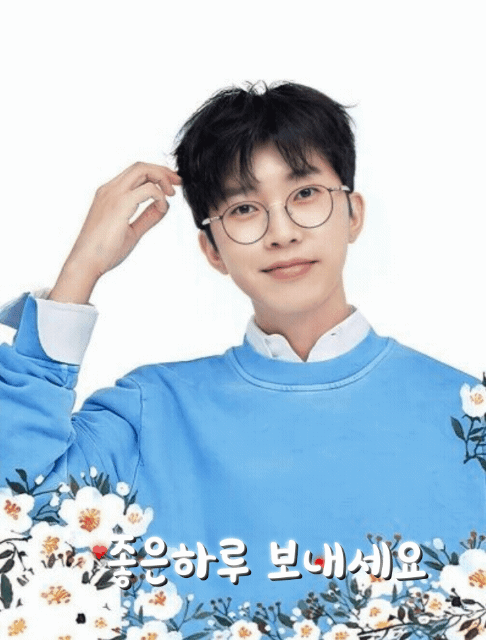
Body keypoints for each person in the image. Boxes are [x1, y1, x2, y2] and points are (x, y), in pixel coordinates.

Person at [1, 81, 485, 615]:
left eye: (306, 194)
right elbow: (16, 509)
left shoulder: (467, 415)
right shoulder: (152, 413)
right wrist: (82, 269)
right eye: (245, 208)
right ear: (212, 248)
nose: (282, 232)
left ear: (354, 213)